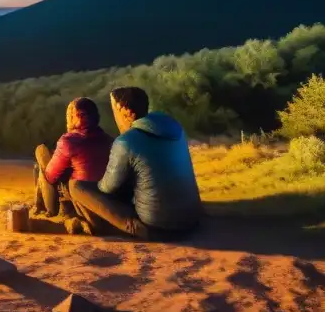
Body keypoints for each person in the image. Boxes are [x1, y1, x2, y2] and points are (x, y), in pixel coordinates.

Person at [68, 86, 202, 240]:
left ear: (127, 112)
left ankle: (97, 226)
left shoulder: (126, 141)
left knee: (77, 186)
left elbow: (107, 188)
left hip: (157, 229)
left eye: (115, 111)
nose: (115, 117)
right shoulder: (173, 127)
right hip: (192, 219)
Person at [33, 97, 113, 217]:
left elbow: (50, 177)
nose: (68, 119)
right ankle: (38, 204)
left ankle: (49, 208)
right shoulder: (109, 140)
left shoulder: (69, 140)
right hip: (104, 195)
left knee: (41, 152)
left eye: (70, 115)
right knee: (47, 165)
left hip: (80, 193)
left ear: (78, 116)